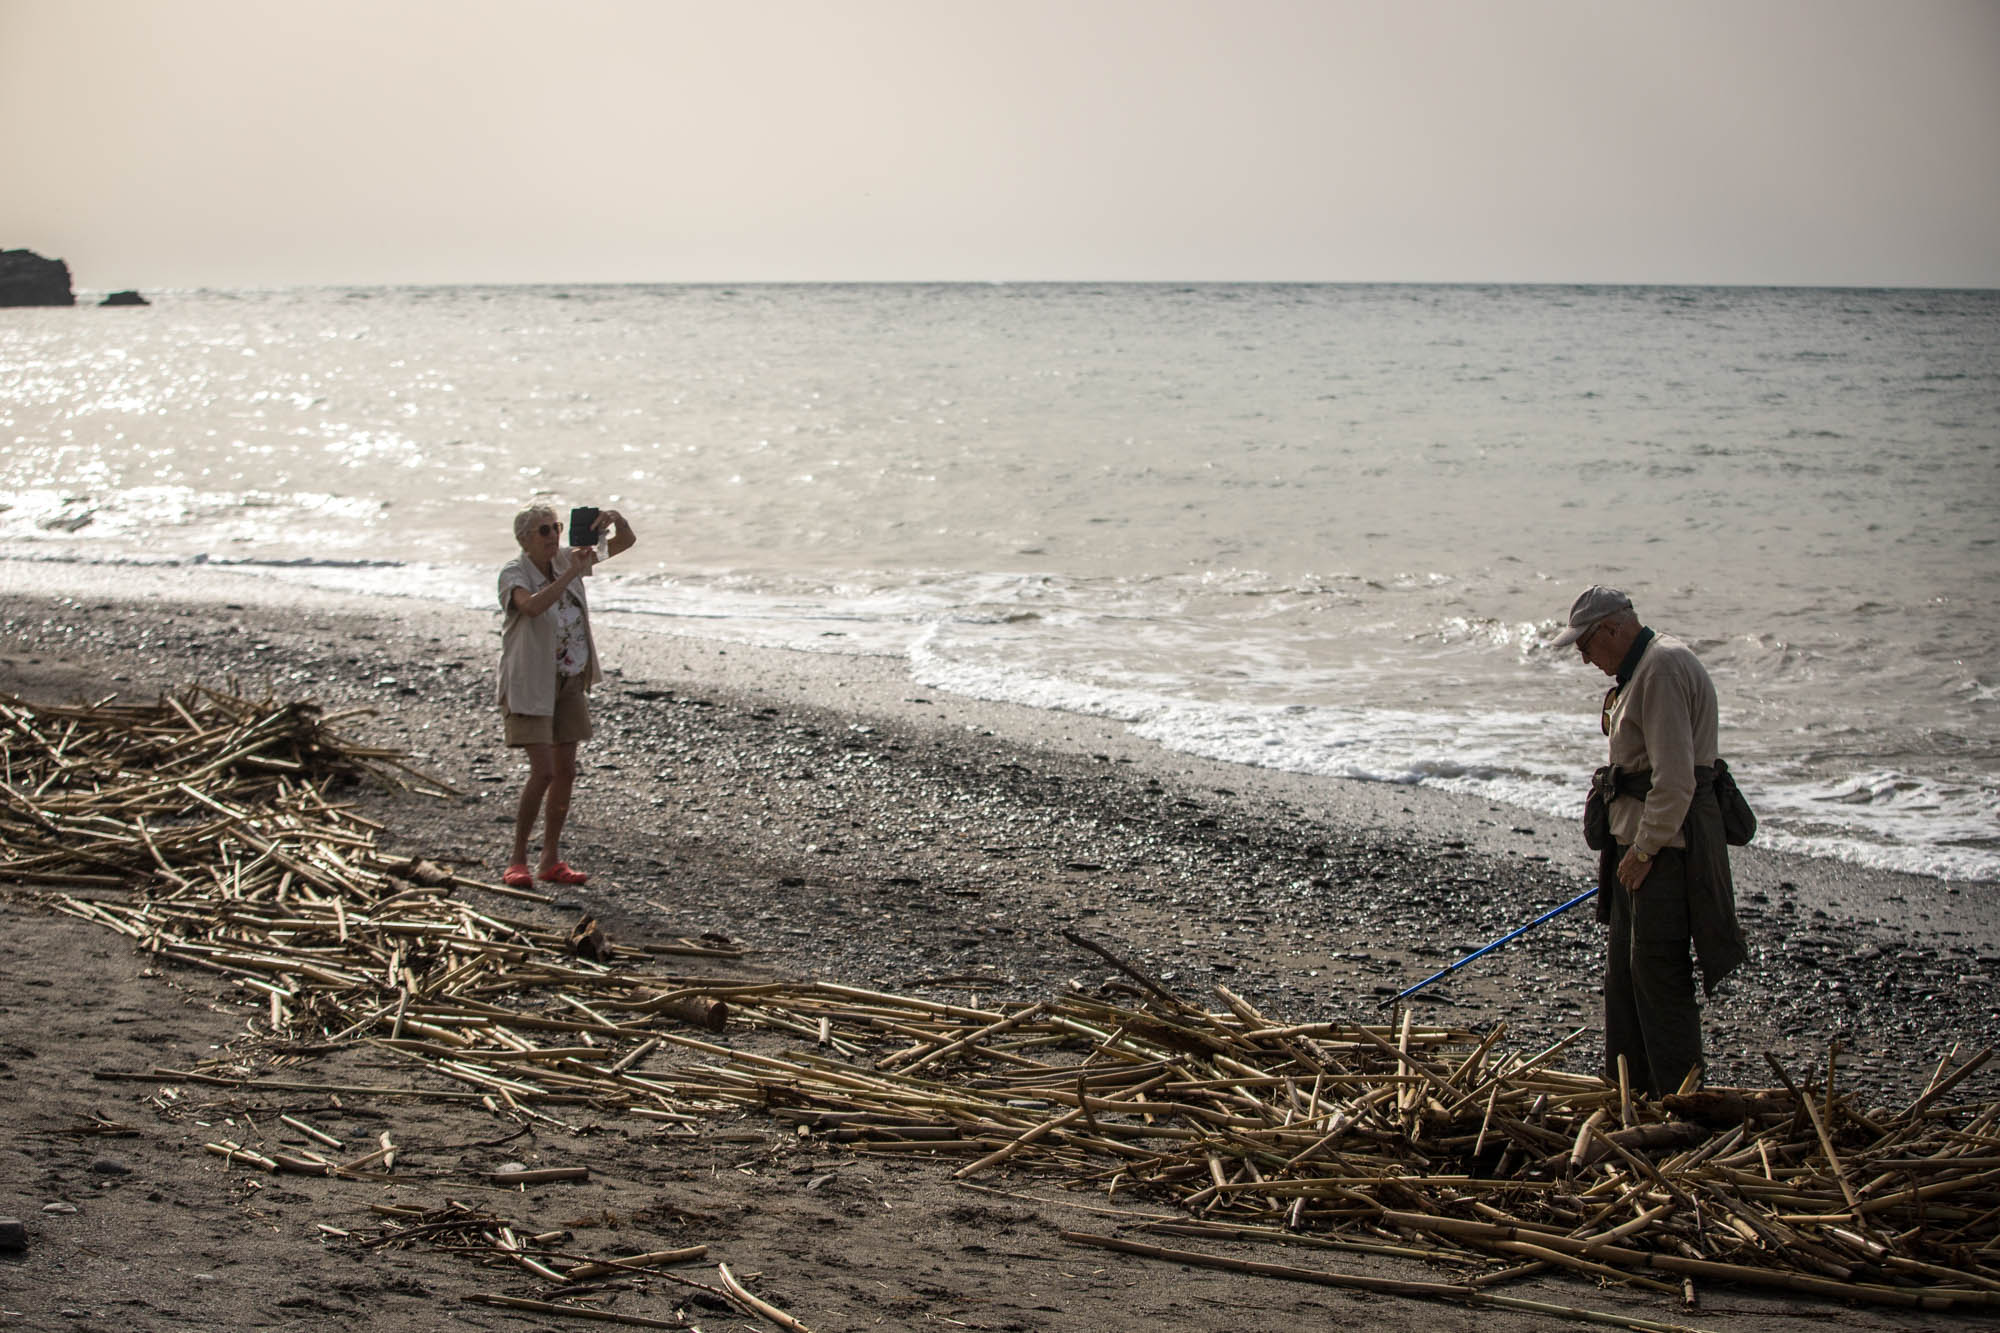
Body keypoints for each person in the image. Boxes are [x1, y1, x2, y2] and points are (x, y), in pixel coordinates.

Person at [1554, 585, 1747, 1097]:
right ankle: (1628, 1093)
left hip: (1665, 849)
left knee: (1658, 976)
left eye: (1586, 645)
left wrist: (1644, 850)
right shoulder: (1638, 670)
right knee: (1624, 979)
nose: (1584, 657)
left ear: (1614, 628)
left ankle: (1679, 1102)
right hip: (1635, 843)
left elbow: (1677, 778)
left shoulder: (1661, 667)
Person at [497, 503, 635, 887]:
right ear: (525, 538)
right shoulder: (514, 572)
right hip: (529, 682)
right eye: (544, 530)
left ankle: (551, 859)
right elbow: (532, 606)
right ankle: (518, 858)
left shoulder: (566, 559)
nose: (553, 536)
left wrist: (616, 522)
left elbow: (624, 543)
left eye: (555, 527)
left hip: (569, 678)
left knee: (566, 771)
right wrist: (570, 573)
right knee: (542, 771)